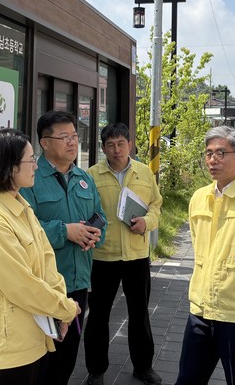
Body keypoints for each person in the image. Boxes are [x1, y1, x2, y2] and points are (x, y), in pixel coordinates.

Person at [0, 128, 80, 385]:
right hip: (6, 349)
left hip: (31, 337)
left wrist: (59, 309)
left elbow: (46, 260)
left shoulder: (20, 205)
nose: (36, 166)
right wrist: (65, 308)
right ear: (11, 167)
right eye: (31, 159)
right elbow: (22, 285)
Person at [175, 126, 235, 385]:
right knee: (187, 380)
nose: (212, 160)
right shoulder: (198, 197)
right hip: (200, 310)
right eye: (208, 153)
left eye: (220, 153)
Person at [20, 111, 107, 385]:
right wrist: (65, 232)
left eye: (74, 136)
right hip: (45, 285)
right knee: (42, 361)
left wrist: (94, 234)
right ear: (45, 143)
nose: (72, 142)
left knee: (67, 359)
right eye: (64, 137)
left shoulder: (84, 178)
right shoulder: (30, 179)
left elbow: (100, 218)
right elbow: (23, 229)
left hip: (78, 284)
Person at [84, 123, 163, 385]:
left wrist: (147, 222)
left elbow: (156, 205)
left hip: (136, 256)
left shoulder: (144, 172)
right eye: (110, 145)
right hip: (102, 257)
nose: (116, 150)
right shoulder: (91, 175)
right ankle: (96, 370)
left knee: (139, 314)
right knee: (98, 316)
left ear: (130, 144)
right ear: (103, 148)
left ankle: (143, 367)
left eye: (121, 144)